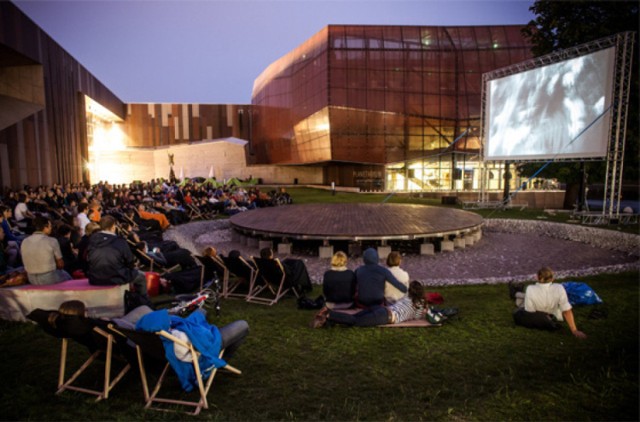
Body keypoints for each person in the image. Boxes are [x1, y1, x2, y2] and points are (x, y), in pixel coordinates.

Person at [312, 280, 427, 328]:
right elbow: (417, 317)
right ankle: (329, 314)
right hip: (386, 316)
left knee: (354, 317)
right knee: (355, 321)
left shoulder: (407, 297)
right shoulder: (419, 305)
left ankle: (328, 321)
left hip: (381, 309)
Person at [512, 267, 587, 339]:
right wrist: (574, 330)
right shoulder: (559, 288)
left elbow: (530, 311)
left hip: (539, 316)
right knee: (523, 301)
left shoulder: (530, 288)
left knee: (518, 311)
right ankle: (516, 293)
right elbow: (566, 310)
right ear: (552, 278)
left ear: (537, 277)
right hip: (553, 316)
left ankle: (515, 293)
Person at [87, 215, 148, 297]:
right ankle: (142, 300)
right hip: (115, 277)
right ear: (113, 227)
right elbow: (129, 261)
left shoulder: (92, 239)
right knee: (141, 276)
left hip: (95, 277)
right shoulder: (119, 241)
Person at [20, 216, 72, 285]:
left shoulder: (24, 241)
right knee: (67, 275)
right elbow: (60, 265)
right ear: (45, 227)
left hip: (31, 278)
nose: (51, 228)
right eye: (50, 226)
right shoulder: (52, 241)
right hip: (49, 278)